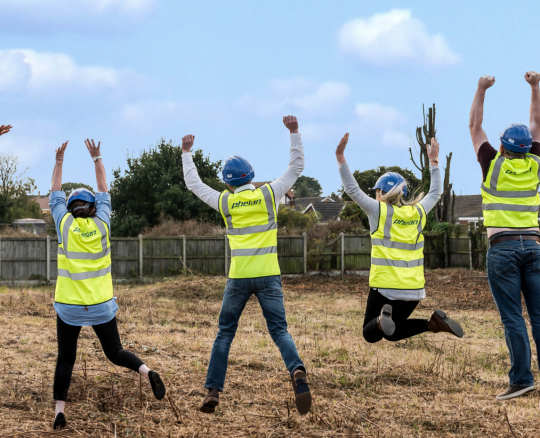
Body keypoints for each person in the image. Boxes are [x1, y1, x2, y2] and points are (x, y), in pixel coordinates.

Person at [182, 116, 311, 415]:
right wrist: (294, 132)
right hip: (268, 277)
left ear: (228, 183)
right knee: (280, 332)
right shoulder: (268, 194)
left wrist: (187, 153)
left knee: (225, 333)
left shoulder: (224, 203)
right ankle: (296, 371)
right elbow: (296, 167)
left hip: (238, 278)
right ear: (251, 176)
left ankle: (213, 390)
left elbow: (194, 184)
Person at [48, 139, 166, 429]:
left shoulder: (64, 226)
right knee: (114, 351)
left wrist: (59, 161)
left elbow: (54, 195)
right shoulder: (102, 225)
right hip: (101, 306)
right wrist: (97, 157)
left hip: (70, 308)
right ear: (92, 208)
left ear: (71, 207)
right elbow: (104, 192)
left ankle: (59, 412)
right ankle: (147, 371)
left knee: (66, 358)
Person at [336, 133, 464, 345]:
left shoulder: (378, 211)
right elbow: (435, 193)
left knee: (370, 334)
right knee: (392, 332)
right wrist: (434, 161)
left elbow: (352, 189)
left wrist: (340, 156)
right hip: (414, 290)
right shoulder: (418, 212)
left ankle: (379, 319)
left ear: (380, 192)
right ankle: (432, 323)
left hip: (385, 287)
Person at [469, 72, 540, 401]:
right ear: (528, 148)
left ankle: (522, 379)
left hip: (503, 250)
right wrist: (535, 87)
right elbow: (536, 121)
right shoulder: (536, 164)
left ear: (501, 146)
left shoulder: (491, 163)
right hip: (535, 248)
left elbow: (474, 126)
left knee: (513, 316)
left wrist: (482, 89)